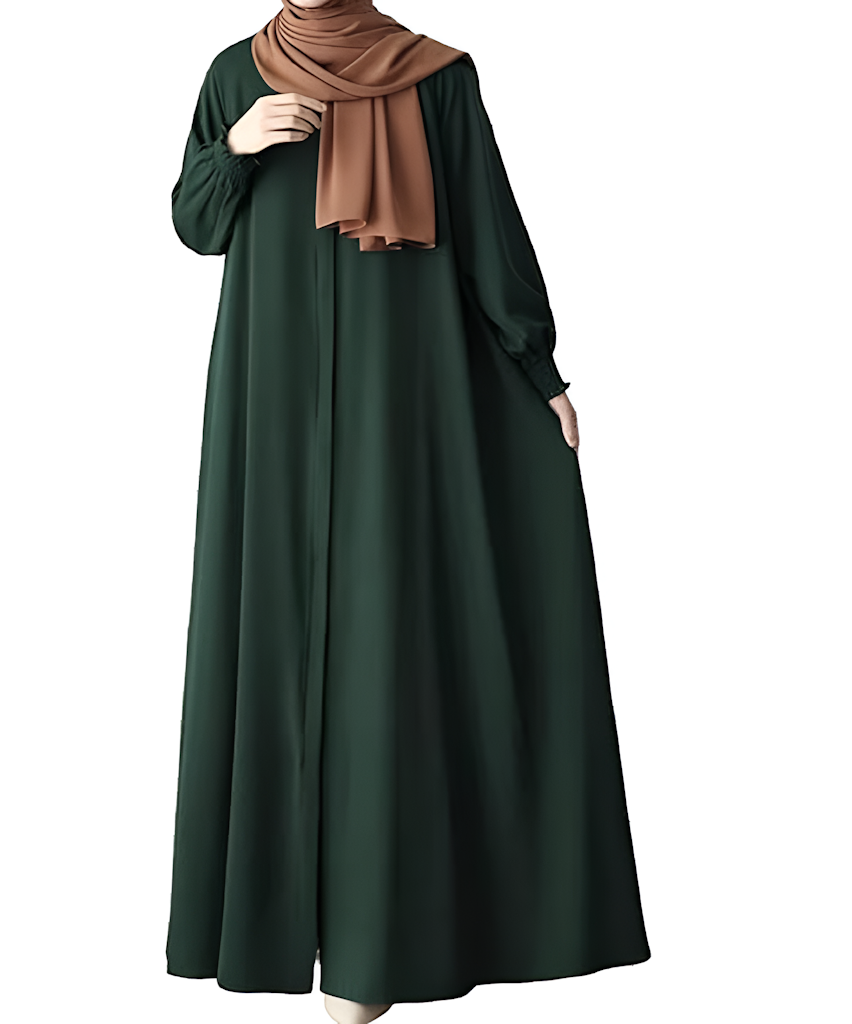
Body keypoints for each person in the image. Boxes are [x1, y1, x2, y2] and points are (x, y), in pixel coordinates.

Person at [165, 3, 650, 1022]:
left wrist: (538, 370)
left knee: (389, 647)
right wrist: (235, 147)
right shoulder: (233, 73)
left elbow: (486, 226)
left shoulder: (435, 76)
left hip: (405, 400)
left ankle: (372, 949)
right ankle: (297, 930)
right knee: (282, 644)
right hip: (271, 408)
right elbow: (196, 227)